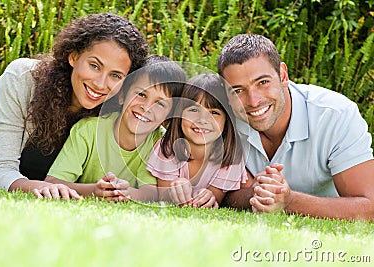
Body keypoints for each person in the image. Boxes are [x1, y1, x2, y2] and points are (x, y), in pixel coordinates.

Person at [0, 13, 149, 199]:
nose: (100, 83)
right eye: (95, 66)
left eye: (116, 75)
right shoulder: (22, 78)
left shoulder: (118, 110)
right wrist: (41, 187)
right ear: (73, 57)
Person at [217, 33, 374, 220]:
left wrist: (290, 201)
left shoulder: (335, 115)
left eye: (263, 82)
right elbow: (219, 190)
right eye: (238, 90)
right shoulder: (219, 119)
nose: (253, 101)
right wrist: (258, 193)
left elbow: (369, 206)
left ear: (283, 75)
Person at [45, 55, 186, 202]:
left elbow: (151, 192)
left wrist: (125, 192)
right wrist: (94, 190)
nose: (146, 107)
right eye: (141, 94)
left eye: (160, 104)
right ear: (122, 96)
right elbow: (53, 182)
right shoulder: (88, 130)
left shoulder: (159, 142)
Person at [147, 74, 251, 208]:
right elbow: (164, 197)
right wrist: (174, 190)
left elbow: (214, 198)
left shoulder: (231, 157)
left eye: (214, 112)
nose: (202, 119)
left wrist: (208, 196)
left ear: (227, 121)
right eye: (194, 109)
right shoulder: (167, 148)